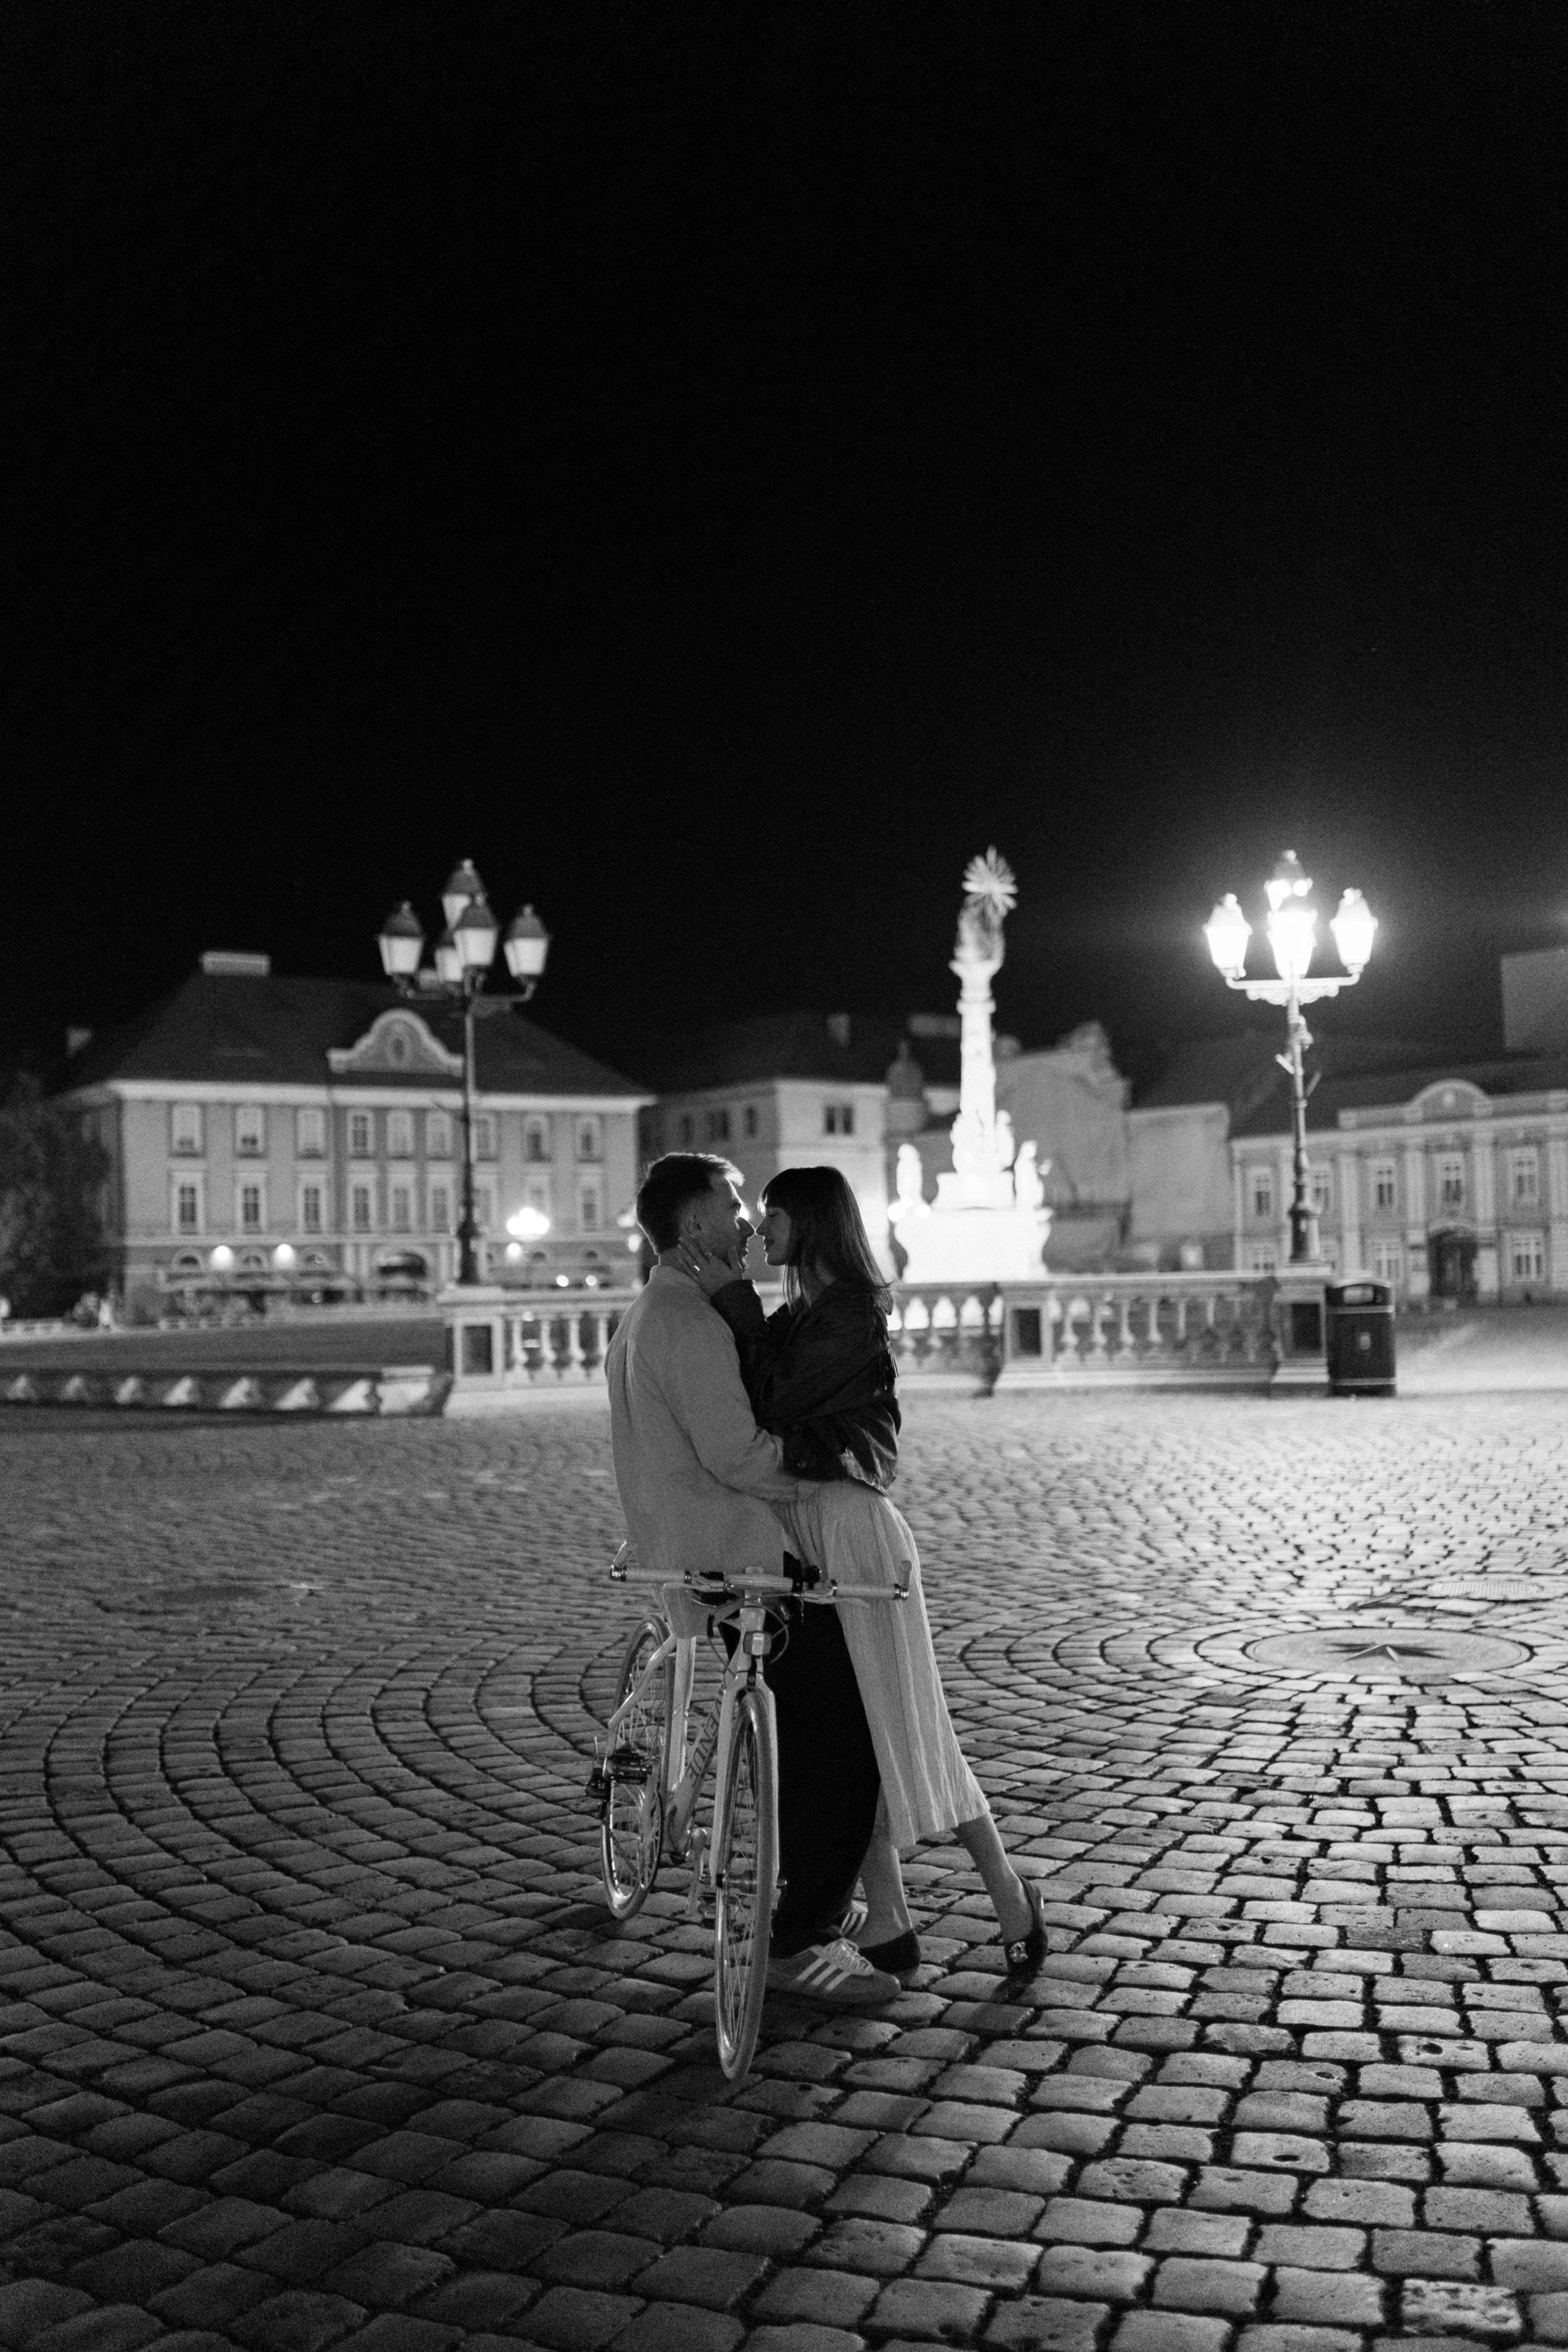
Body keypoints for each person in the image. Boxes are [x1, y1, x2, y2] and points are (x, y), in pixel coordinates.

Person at [681, 1164, 1047, 1983]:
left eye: (772, 1215)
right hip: (809, 1528)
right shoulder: (805, 1309)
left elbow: (769, 1396)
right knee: (855, 1741)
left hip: (855, 1535)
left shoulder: (847, 1310)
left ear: (811, 1223)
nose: (759, 1230)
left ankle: (1009, 1895)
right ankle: (889, 1920)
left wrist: (731, 1298)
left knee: (910, 1726)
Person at [606, 1152, 902, 2005]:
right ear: (695, 1224)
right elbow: (737, 1453)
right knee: (848, 1731)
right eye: (735, 1205)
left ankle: (814, 1898)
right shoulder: (692, 1323)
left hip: (682, 1553)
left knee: (815, 1724)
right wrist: (839, 1475)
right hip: (735, 1565)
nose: (746, 1221)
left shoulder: (650, 1310)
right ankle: (799, 1934)